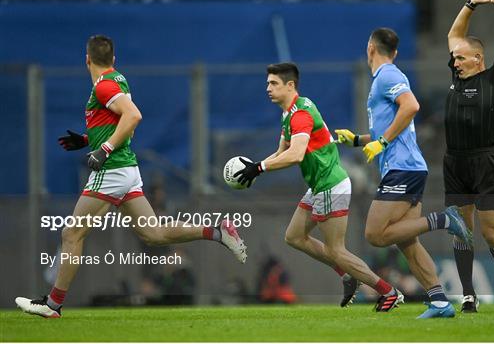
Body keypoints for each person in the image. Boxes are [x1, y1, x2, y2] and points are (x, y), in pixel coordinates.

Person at [15, 35, 247, 318]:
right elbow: (124, 123)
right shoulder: (119, 79)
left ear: (86, 59)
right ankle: (218, 233)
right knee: (154, 233)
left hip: (112, 170)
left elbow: (133, 117)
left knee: (72, 233)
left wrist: (103, 149)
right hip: (126, 169)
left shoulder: (104, 86)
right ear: (113, 59)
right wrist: (89, 139)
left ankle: (52, 305)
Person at [234, 62, 404, 311]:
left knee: (337, 250)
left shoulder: (300, 115)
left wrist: (258, 168)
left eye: (273, 83)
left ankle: (388, 292)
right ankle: (347, 275)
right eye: (267, 83)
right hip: (320, 185)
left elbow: (296, 155)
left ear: (290, 85)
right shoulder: (289, 112)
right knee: (294, 236)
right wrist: (255, 169)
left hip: (330, 185)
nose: (267, 88)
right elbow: (282, 151)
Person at [335, 28, 472, 319]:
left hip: (403, 168)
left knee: (374, 234)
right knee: (407, 243)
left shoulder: (388, 75)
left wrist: (381, 142)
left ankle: (444, 219)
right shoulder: (383, 79)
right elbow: (391, 126)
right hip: (405, 167)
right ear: (394, 51)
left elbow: (411, 106)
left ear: (370, 47)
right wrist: (359, 140)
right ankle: (439, 302)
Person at [446, 0, 494, 313]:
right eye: (455, 59)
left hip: (485, 163)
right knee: (461, 231)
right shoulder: (456, 78)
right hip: (455, 164)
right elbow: (453, 34)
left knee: (491, 234)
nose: (455, 62)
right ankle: (467, 294)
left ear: (478, 59)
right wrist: (471, 3)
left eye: (461, 58)